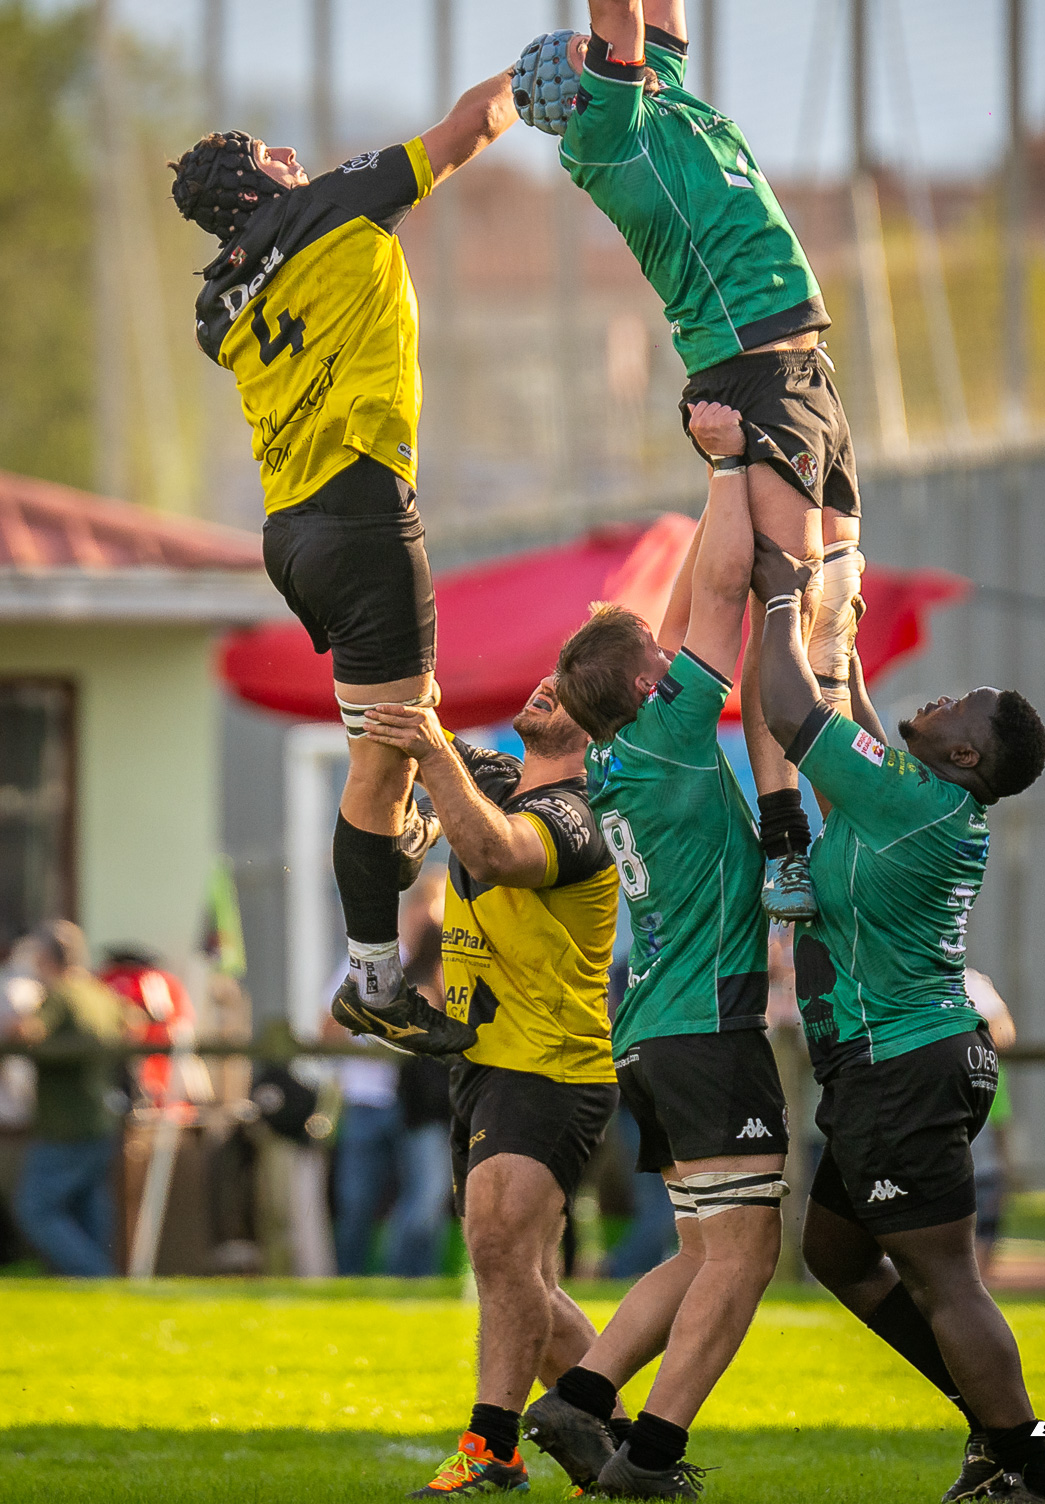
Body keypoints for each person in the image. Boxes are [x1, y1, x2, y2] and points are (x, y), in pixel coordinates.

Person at [515, 0, 864, 925]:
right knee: (775, 604)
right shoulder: (609, 133)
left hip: (801, 369)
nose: (604, 36)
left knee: (831, 616)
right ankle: (784, 837)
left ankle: (849, 797)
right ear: (581, 85)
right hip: (750, 373)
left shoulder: (650, 87)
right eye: (588, 45)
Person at [169, 65, 518, 1060]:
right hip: (361, 515)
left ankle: (407, 830)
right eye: (271, 156)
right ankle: (372, 978)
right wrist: (543, 69)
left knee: (407, 731)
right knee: (386, 752)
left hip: (295, 532)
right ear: (255, 187)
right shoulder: (331, 204)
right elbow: (470, 128)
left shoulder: (214, 307)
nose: (292, 157)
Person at [751, 529, 1045, 1504]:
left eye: (952, 705)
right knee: (838, 1254)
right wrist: (840, 626)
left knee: (947, 1279)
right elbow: (847, 710)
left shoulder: (909, 805)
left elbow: (788, 709)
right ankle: (996, 1432)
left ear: (967, 753)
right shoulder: (916, 797)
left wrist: (777, 601)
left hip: (906, 1068)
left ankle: (1031, 1476)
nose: (931, 701)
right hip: (894, 1066)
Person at [532, 402, 787, 1503]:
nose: (673, 650)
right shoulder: (672, 730)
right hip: (705, 1028)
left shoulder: (631, 746)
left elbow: (683, 603)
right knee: (745, 1257)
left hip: (656, 1031)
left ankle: (578, 1401)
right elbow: (720, 597)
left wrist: (714, 482)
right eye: (660, 658)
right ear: (650, 686)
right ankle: (653, 1457)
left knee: (695, 1252)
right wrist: (732, 458)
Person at [362, 675, 619, 1497]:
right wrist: (395, 677)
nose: (546, 684)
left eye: (569, 688)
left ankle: (492, 1446)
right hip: (487, 1063)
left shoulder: (580, 813)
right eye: (551, 674)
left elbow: (495, 850)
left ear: (597, 723)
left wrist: (432, 756)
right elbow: (406, 735)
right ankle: (621, 1454)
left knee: (502, 1250)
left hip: (550, 1064)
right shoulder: (507, 779)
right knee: (520, 1280)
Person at [323, 874, 453, 1277]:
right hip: (368, 1099)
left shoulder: (444, 967)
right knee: (357, 1203)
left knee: (425, 1200)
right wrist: (378, 1039)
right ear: (412, 911)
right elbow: (327, 1028)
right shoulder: (370, 962)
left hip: (421, 1105)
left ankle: (409, 1281)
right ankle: (351, 1284)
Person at [13, 922, 129, 1277]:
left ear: (46, 957)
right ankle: (100, 1289)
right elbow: (129, 1025)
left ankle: (96, 1276)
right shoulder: (100, 994)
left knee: (35, 1208)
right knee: (88, 1211)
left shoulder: (60, 995)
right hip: (102, 1119)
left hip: (65, 1124)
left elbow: (28, 1031)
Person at [963, 969, 1016, 1283]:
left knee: (988, 1192)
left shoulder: (971, 981)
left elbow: (1003, 1031)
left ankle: (979, 1284)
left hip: (986, 1102)